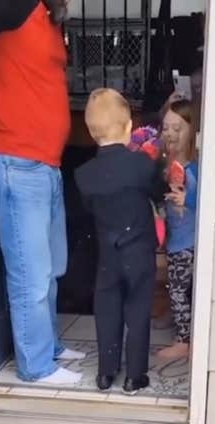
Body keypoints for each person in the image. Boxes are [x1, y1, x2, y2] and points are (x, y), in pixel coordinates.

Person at [0, 0, 86, 385]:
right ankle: (37, 367)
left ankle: (49, 346)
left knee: (51, 269)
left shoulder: (46, 12)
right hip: (15, 164)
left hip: (44, 165)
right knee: (32, 273)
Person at [73, 89, 161, 395]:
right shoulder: (142, 166)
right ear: (128, 127)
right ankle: (134, 376)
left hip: (108, 256)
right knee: (137, 309)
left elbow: (88, 208)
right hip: (139, 253)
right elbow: (158, 193)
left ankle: (105, 373)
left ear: (91, 131)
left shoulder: (84, 175)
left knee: (107, 306)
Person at [155, 99, 199, 361]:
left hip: (187, 243)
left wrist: (188, 200)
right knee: (178, 288)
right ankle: (178, 323)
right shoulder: (166, 166)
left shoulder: (194, 169)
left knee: (179, 291)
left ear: (191, 131)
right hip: (174, 241)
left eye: (177, 128)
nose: (170, 133)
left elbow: (207, 199)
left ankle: (184, 341)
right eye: (166, 127)